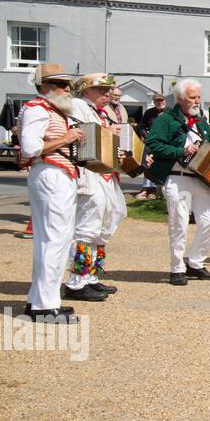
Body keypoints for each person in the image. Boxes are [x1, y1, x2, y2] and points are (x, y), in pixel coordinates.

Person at [145, 79, 210, 285]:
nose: (197, 101)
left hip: (202, 179)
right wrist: (180, 151)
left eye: (199, 97)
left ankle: (195, 263)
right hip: (178, 178)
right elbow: (153, 144)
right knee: (179, 223)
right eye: (193, 97)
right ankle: (177, 268)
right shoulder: (165, 119)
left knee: (209, 222)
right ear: (180, 99)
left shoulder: (201, 121)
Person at [18, 63, 83, 321]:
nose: (68, 89)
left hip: (58, 173)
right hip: (50, 173)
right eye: (61, 84)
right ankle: (45, 306)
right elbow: (30, 147)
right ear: (45, 87)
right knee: (53, 239)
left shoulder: (52, 110)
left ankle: (41, 300)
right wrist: (66, 139)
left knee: (56, 239)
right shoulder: (37, 108)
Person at [63, 73, 128, 302]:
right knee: (86, 228)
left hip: (105, 175)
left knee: (106, 224)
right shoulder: (78, 106)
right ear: (85, 90)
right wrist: (108, 135)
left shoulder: (101, 112)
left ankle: (92, 275)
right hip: (90, 175)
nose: (107, 93)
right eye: (101, 89)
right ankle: (76, 282)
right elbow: (82, 136)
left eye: (108, 90)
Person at [135, 92, 167, 200]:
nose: (160, 102)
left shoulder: (170, 112)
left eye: (161, 100)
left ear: (165, 101)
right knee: (148, 163)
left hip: (166, 144)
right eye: (157, 101)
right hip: (152, 143)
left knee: (163, 165)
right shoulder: (149, 113)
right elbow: (141, 127)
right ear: (154, 102)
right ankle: (147, 189)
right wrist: (147, 137)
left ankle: (160, 190)